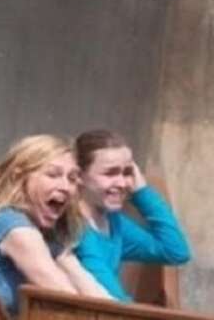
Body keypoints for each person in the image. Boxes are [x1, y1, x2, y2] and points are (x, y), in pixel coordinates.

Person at [0, 134, 111, 315]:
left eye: (72, 179)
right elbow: (67, 302)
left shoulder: (47, 235)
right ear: (20, 178)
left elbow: (94, 293)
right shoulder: (14, 227)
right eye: (53, 175)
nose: (65, 186)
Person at [73, 129, 191, 302]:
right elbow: (112, 297)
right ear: (79, 176)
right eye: (110, 173)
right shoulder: (74, 226)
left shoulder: (115, 223)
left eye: (127, 172)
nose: (121, 183)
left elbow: (175, 251)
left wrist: (142, 192)